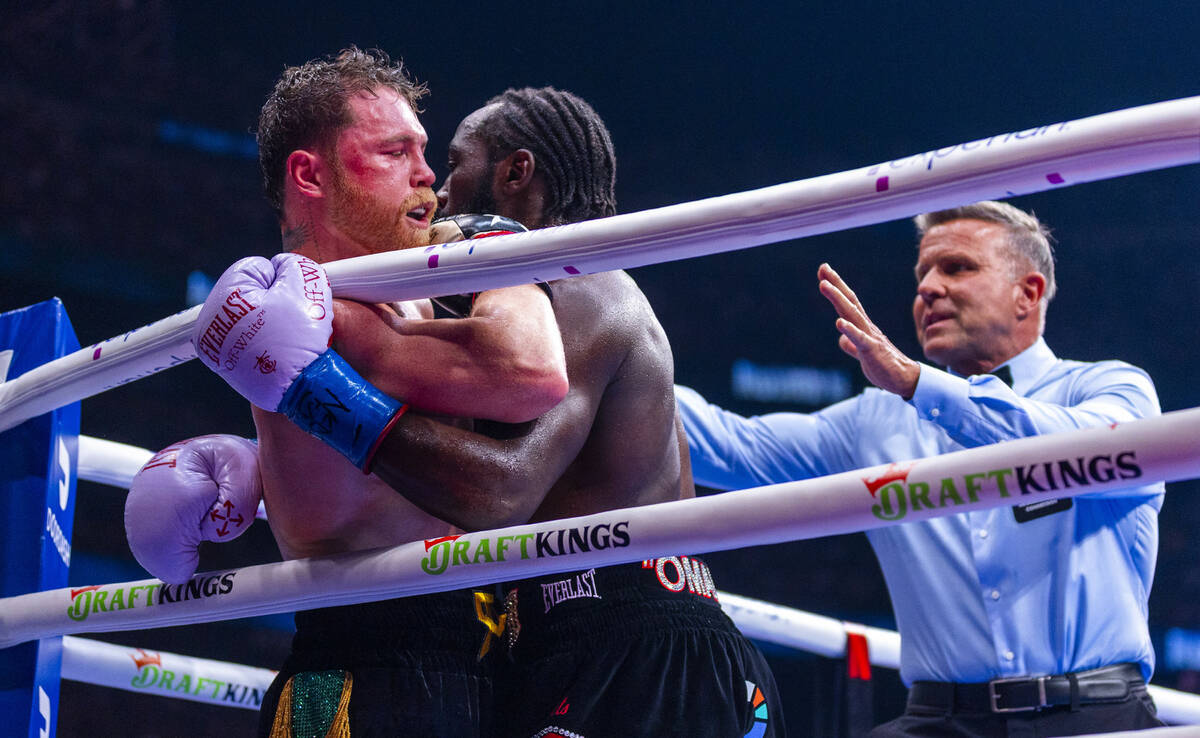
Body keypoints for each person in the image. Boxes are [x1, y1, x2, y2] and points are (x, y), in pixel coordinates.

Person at [128, 47, 568, 738]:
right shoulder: (307, 309)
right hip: (361, 672)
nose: (427, 175)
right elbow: (529, 377)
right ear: (310, 173)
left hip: (483, 666)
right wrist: (498, 249)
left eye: (423, 150)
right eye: (395, 152)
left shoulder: (401, 290)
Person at [362, 85, 785, 738]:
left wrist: (319, 398)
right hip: (586, 635)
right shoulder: (543, 297)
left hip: (635, 646)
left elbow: (498, 490)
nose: (443, 191)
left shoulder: (581, 285)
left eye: (456, 162)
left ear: (515, 171)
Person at [675, 200, 1166, 736]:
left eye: (957, 267)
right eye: (923, 274)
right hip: (939, 721)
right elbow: (728, 446)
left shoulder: (1112, 389)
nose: (928, 288)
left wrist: (918, 385)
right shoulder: (875, 421)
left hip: (1096, 717)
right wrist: (618, 356)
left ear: (1027, 293)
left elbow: (1084, 449)